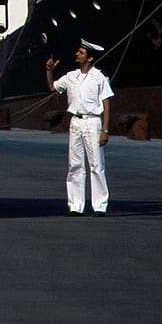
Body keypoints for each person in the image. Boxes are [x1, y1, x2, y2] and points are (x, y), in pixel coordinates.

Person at [43, 36, 114, 215]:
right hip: (75, 122)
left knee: (96, 165)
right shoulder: (70, 77)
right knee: (75, 164)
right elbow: (52, 88)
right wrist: (49, 71)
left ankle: (99, 206)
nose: (77, 54)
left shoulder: (99, 77)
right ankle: (75, 206)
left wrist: (105, 130)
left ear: (89, 58)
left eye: (81, 53)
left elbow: (106, 104)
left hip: (93, 122)